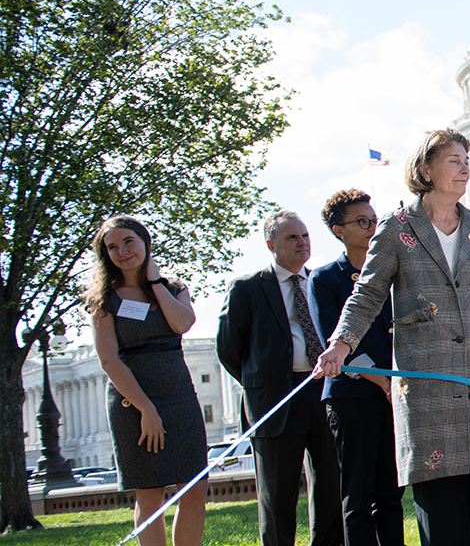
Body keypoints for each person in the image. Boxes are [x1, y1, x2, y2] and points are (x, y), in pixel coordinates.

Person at [314, 129, 470, 546]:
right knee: (446, 526)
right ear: (425, 169)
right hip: (430, 394)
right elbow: (366, 294)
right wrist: (340, 344)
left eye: (466, 159)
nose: (465, 167)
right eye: (453, 160)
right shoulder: (394, 228)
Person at [218, 210, 343, 546]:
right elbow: (229, 349)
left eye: (305, 236)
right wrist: (263, 382)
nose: (302, 242)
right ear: (271, 244)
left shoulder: (321, 281)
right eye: (292, 237)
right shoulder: (246, 288)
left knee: (331, 485)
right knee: (277, 495)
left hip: (323, 392)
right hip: (275, 400)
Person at [89, 216, 209, 546]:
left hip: (179, 395)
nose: (121, 251)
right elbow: (109, 360)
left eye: (128, 241)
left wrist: (155, 282)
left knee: (195, 488)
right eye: (111, 247)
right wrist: (146, 409)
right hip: (134, 402)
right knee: (151, 496)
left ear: (145, 242)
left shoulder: (173, 288)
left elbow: (182, 323)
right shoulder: (104, 299)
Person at [309, 190, 404, 546]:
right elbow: (334, 338)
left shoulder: (392, 273)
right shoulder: (325, 279)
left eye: (374, 220)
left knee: (391, 494)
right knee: (358, 494)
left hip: (394, 394)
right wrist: (381, 381)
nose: (372, 228)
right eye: (362, 222)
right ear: (338, 230)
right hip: (353, 397)